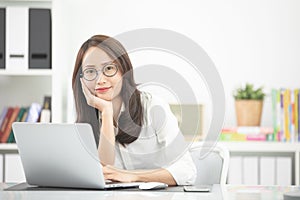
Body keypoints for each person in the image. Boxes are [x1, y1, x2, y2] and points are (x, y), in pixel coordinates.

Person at [72, 35, 196, 186]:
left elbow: (187, 170)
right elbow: (101, 173)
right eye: (90, 71)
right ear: (81, 79)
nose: (100, 80)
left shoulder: (153, 108)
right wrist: (106, 111)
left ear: (124, 70)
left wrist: (132, 176)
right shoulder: (85, 121)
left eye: (109, 68)